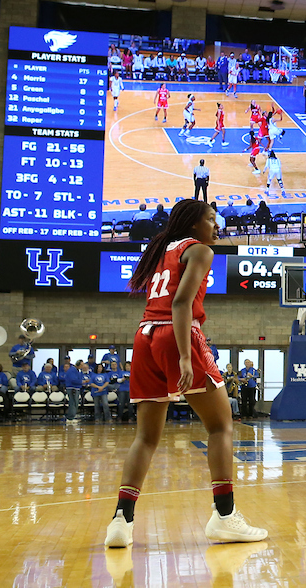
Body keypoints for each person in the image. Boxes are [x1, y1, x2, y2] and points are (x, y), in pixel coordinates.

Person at [105, 199, 266, 548]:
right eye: (211, 219)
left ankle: (121, 520)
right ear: (194, 224)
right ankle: (225, 517)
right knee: (221, 425)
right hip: (175, 334)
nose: (216, 225)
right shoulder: (200, 250)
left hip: (144, 335)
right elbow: (180, 303)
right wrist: (183, 356)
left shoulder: (161, 247)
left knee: (145, 437)